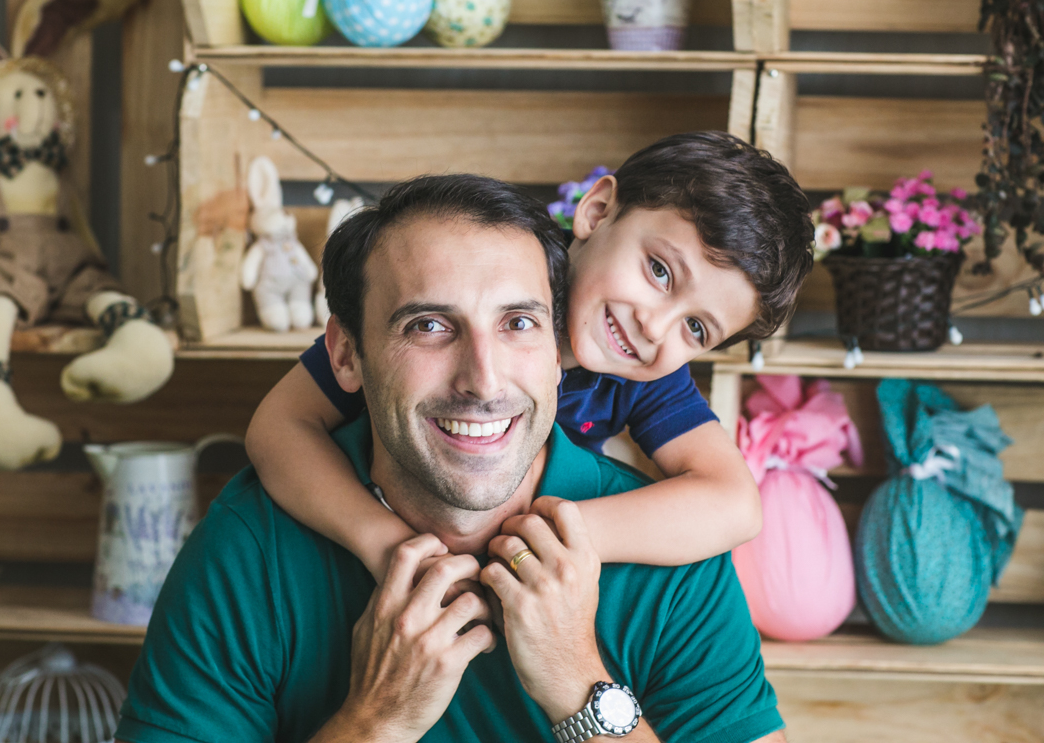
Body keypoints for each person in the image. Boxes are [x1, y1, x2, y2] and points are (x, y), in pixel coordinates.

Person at [116, 175, 786, 742]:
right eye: (429, 325)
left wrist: (577, 679)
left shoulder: (674, 566)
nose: (484, 379)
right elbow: (278, 429)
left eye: (518, 323)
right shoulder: (249, 548)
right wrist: (375, 720)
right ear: (348, 352)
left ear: (551, 348)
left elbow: (733, 502)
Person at [246, 132, 815, 582]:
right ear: (597, 212)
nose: (654, 324)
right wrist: (383, 541)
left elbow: (735, 504)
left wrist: (551, 535)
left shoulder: (643, 374)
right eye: (660, 271)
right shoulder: (477, 280)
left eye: (695, 327)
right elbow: (279, 427)